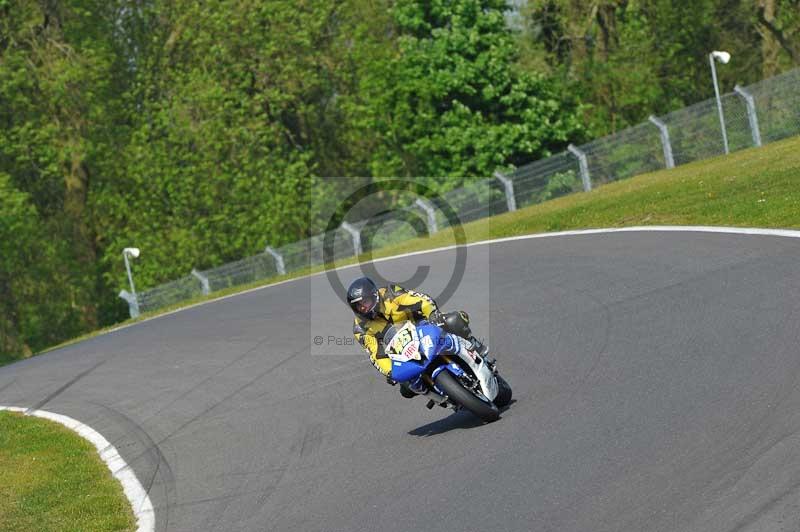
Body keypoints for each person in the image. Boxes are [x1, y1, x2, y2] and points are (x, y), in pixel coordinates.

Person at [347, 276, 489, 398]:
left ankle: (475, 346)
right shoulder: (360, 328)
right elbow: (376, 354)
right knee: (406, 389)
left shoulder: (391, 294)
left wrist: (433, 315)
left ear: (375, 295)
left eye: (364, 302)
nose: (363, 308)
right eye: (358, 306)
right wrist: (389, 371)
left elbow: (422, 300)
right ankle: (440, 396)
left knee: (454, 320)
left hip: (423, 327)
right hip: (401, 349)